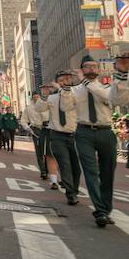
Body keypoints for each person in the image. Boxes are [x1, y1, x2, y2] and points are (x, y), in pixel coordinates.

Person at [73, 56, 117, 227]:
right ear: (81, 69)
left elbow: (105, 96)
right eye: (87, 67)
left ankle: (106, 209)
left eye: (94, 66)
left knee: (107, 174)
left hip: (106, 132)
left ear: (98, 70)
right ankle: (100, 212)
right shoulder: (75, 90)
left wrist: (84, 82)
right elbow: (64, 107)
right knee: (90, 171)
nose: (91, 69)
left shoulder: (108, 87)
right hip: (84, 132)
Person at [46, 71, 80, 206]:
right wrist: (44, 95)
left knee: (76, 168)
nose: (65, 81)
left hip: (75, 136)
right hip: (58, 136)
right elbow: (39, 108)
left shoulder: (77, 94)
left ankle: (74, 190)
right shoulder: (51, 98)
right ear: (56, 83)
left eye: (68, 79)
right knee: (65, 165)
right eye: (61, 80)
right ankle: (71, 194)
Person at [21, 91, 48, 178]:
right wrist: (28, 128)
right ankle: (43, 171)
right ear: (32, 98)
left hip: (47, 129)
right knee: (39, 152)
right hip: (36, 130)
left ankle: (48, 170)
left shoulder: (46, 105)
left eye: (37, 97)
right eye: (34, 97)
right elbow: (23, 120)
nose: (36, 98)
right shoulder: (28, 108)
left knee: (48, 152)